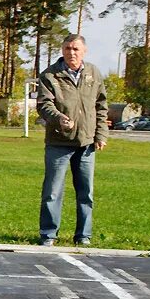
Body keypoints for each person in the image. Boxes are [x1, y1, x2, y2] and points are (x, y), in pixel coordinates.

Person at [36, 33, 108, 247]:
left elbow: (101, 106)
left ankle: (83, 236)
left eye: (76, 49)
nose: (71, 52)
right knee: (52, 191)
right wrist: (58, 118)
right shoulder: (50, 75)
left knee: (86, 192)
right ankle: (48, 234)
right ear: (62, 50)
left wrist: (101, 134)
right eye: (67, 48)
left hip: (86, 144)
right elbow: (43, 105)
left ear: (84, 51)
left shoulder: (93, 73)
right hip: (58, 143)